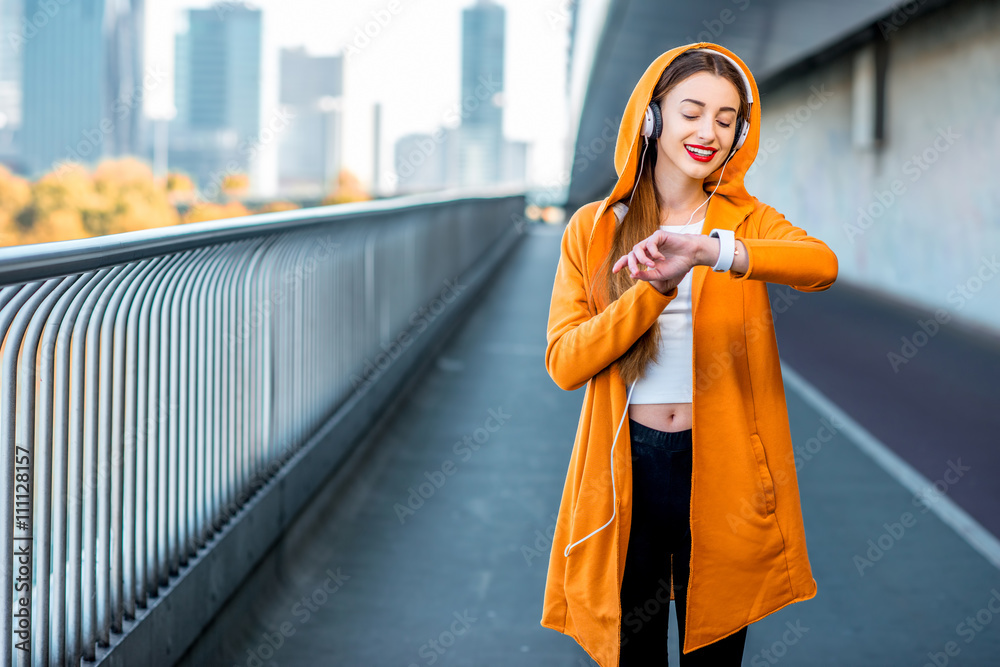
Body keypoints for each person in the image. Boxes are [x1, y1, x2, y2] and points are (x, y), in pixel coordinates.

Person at [541, 42, 839, 667]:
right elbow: (566, 363)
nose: (709, 132)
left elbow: (820, 265)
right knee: (634, 652)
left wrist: (712, 251)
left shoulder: (744, 219)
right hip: (629, 472)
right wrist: (654, 290)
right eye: (692, 111)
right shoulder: (594, 229)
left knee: (716, 652)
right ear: (651, 117)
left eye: (726, 120)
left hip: (722, 468)